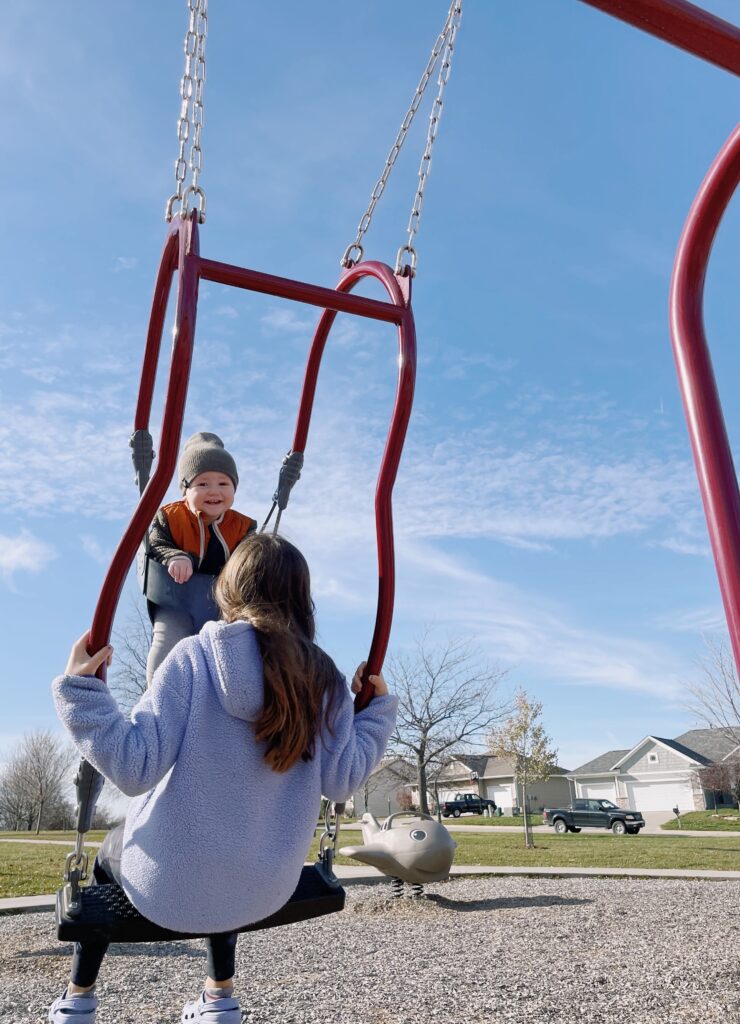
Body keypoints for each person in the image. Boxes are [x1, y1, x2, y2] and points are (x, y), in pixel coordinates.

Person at [50, 533, 397, 1024]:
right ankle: (220, 999)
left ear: (229, 589)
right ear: (302, 597)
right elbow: (343, 781)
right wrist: (373, 713)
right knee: (230, 851)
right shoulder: (324, 682)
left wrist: (83, 692)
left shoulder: (193, 659)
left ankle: (79, 998)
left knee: (114, 851)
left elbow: (133, 767)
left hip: (165, 886)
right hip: (262, 888)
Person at [145, 431, 256, 683]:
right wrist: (174, 557)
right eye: (203, 483)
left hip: (222, 606)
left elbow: (252, 558)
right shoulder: (169, 517)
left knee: (235, 646)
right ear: (185, 489)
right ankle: (156, 693)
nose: (213, 491)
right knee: (167, 640)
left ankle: (230, 694)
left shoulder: (242, 527)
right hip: (176, 602)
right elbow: (155, 543)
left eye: (223, 483)